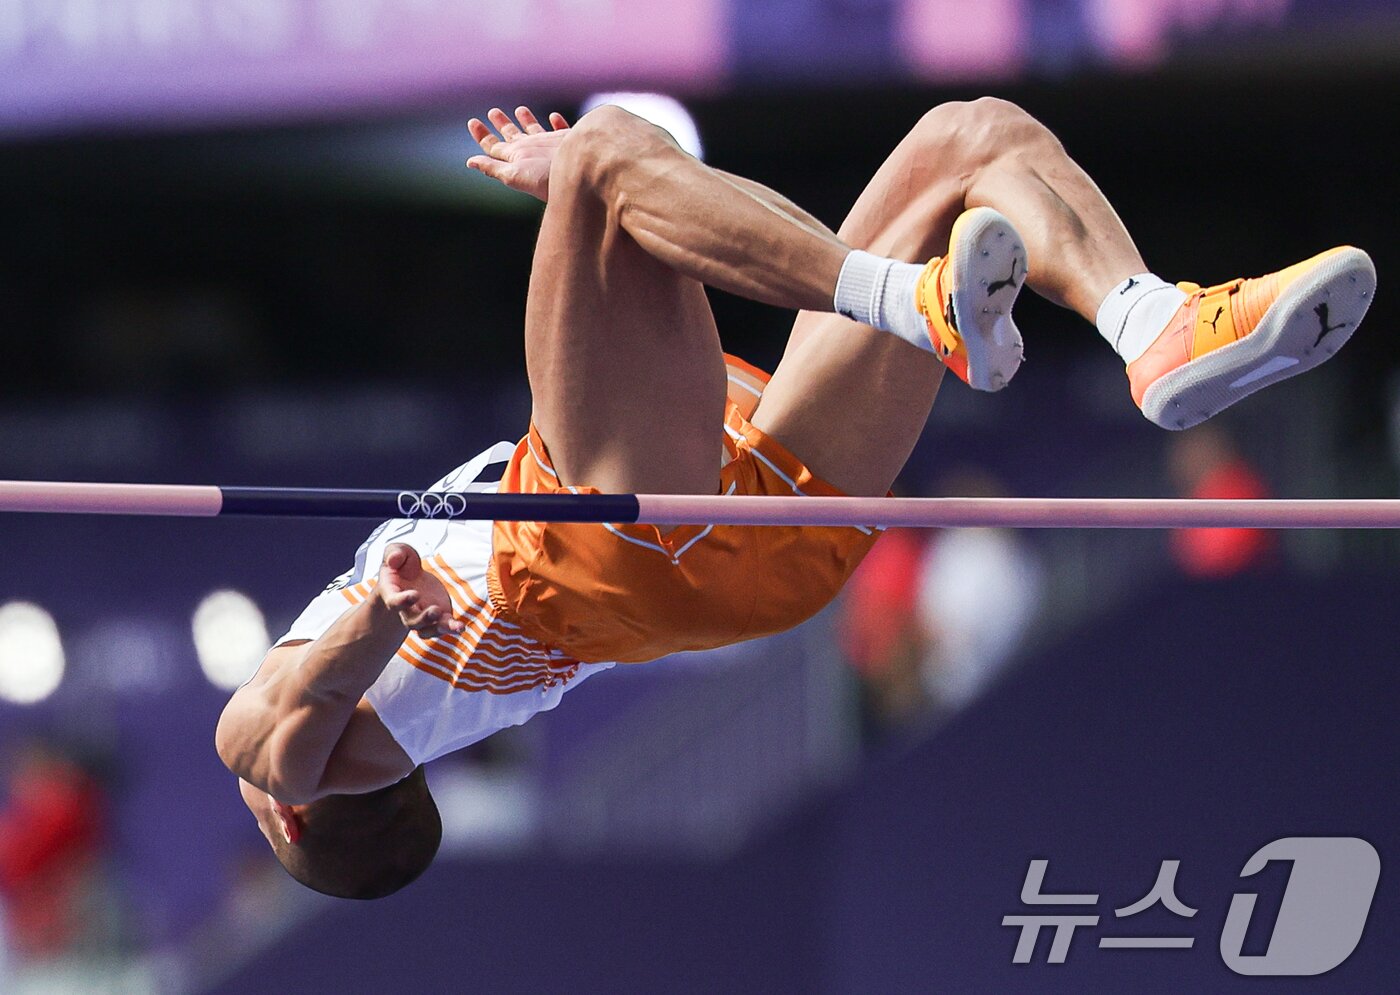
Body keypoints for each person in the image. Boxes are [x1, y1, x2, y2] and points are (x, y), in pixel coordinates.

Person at [216, 98, 1376, 899]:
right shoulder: (320, 766)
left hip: (753, 540)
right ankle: (907, 300)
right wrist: (378, 612)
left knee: (971, 138)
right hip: (608, 547)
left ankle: (1148, 324)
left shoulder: (401, 726)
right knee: (610, 150)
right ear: (293, 824)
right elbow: (288, 751)